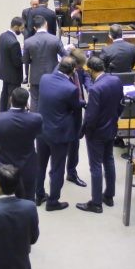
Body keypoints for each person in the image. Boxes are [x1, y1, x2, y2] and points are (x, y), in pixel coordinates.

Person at [77, 56, 123, 214]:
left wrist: (84, 132)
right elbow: (120, 105)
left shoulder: (96, 90)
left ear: (90, 70)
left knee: (95, 166)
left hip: (97, 133)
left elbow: (91, 116)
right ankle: (109, 196)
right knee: (109, 160)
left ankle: (96, 203)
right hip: (111, 128)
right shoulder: (116, 81)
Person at [35, 57, 82, 211]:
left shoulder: (44, 79)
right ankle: (53, 202)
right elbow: (75, 108)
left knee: (40, 165)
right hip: (59, 134)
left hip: (41, 131)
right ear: (73, 70)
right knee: (57, 168)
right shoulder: (71, 88)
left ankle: (39, 195)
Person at [0, 87, 42, 201]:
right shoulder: (36, 119)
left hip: (3, 168)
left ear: (11, 99)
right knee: (28, 199)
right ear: (27, 103)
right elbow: (39, 134)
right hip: (27, 167)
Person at [22, 15, 67, 112]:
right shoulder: (55, 39)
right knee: (53, 100)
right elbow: (65, 55)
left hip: (35, 76)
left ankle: (35, 123)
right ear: (46, 24)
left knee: (35, 100)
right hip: (53, 75)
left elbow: (25, 60)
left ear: (34, 27)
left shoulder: (28, 42)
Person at [65, 48, 88, 188]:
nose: (80, 68)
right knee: (62, 144)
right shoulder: (61, 70)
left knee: (75, 143)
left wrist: (91, 89)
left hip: (77, 111)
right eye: (79, 66)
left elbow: (85, 77)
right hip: (65, 113)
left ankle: (71, 172)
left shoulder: (78, 69)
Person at [0, 17, 24, 113]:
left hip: (4, 71)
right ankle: (9, 115)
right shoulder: (14, 43)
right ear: (16, 27)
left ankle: (2, 112)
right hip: (13, 75)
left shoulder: (2, 36)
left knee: (4, 94)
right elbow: (17, 63)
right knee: (12, 96)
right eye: (21, 28)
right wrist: (24, 56)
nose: (22, 30)